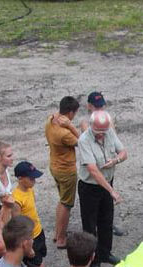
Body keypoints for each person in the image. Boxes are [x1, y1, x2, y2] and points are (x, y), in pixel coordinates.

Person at [77, 110, 127, 267]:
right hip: (90, 187)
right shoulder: (84, 140)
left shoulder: (109, 132)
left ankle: (105, 253)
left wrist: (115, 160)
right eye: (98, 132)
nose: (101, 136)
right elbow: (93, 171)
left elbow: (123, 152)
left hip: (107, 183)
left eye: (103, 132)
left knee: (106, 220)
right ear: (91, 127)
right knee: (90, 225)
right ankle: (93, 260)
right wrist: (111, 191)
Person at [46, 96, 81, 249]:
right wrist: (72, 126)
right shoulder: (65, 134)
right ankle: (61, 239)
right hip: (66, 171)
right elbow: (84, 142)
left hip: (54, 165)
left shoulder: (50, 120)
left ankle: (57, 233)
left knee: (62, 200)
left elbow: (54, 115)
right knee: (66, 204)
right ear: (71, 113)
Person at [11, 161, 51, 267]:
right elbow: (17, 223)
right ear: (20, 178)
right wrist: (27, 244)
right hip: (29, 238)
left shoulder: (29, 189)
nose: (34, 181)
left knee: (35, 264)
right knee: (38, 265)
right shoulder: (16, 199)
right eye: (31, 178)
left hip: (38, 232)